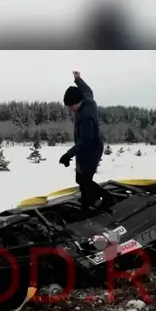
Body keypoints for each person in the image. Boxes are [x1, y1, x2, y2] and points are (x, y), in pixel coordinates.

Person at [59, 71, 116, 211]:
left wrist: (68, 154)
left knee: (84, 179)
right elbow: (87, 90)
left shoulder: (86, 116)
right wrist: (78, 79)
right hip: (84, 148)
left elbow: (86, 141)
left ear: (78, 102)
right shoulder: (87, 98)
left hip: (91, 149)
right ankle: (90, 199)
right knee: (81, 178)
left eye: (71, 106)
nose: (70, 109)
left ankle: (106, 198)